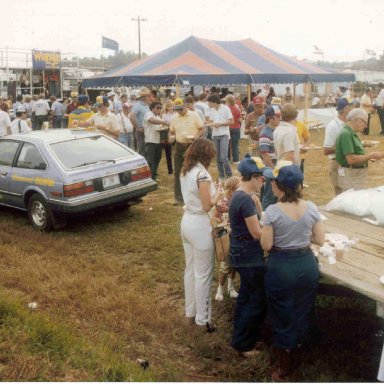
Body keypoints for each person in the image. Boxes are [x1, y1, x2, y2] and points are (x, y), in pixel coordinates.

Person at [261, 162, 325, 381]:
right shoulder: (312, 207)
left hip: (282, 265)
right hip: (306, 263)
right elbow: (320, 239)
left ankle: (284, 368)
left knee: (281, 313)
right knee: (302, 309)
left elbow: (267, 245)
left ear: (278, 186)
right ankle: (298, 357)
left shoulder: (272, 211)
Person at [180, 138, 221, 331]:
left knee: (190, 269)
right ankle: (203, 320)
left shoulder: (186, 170)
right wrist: (218, 194)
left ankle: (190, 313)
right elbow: (207, 205)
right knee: (203, 274)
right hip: (200, 224)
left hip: (187, 220)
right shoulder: (202, 175)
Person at [228, 155, 267, 357]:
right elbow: (257, 233)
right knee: (255, 299)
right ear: (253, 177)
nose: (264, 181)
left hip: (239, 253)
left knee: (245, 296)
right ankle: (245, 345)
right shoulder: (244, 199)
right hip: (248, 256)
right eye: (262, 178)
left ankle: (240, 338)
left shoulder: (241, 195)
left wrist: (259, 208)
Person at [335, 108, 384, 191]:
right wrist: (370, 155)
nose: (366, 126)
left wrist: (369, 157)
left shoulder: (349, 132)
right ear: (356, 119)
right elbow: (351, 159)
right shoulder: (346, 134)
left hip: (354, 174)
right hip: (352, 175)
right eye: (365, 122)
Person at [169, 98, 204, 205]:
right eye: (177, 109)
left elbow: (202, 128)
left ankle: (196, 195)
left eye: (181, 109)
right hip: (179, 146)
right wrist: (171, 137)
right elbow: (171, 131)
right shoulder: (174, 118)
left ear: (185, 106)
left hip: (192, 145)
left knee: (194, 171)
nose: (179, 111)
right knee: (178, 172)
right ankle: (178, 197)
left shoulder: (194, 115)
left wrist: (197, 136)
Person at [213, 176, 241, 301]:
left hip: (236, 235)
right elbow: (220, 221)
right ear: (231, 190)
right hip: (225, 235)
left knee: (234, 263)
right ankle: (220, 288)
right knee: (225, 264)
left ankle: (230, 286)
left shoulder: (238, 199)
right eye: (238, 188)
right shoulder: (223, 202)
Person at [323, 97, 354, 195]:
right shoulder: (333, 126)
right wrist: (346, 148)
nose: (352, 109)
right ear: (345, 109)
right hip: (338, 163)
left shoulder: (348, 124)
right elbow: (326, 150)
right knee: (340, 195)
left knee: (349, 192)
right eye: (350, 107)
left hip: (348, 161)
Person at [207, 94, 233, 180]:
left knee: (224, 157)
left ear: (214, 102)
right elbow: (211, 121)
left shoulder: (226, 108)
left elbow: (231, 121)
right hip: (215, 135)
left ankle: (229, 175)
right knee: (217, 157)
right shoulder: (212, 110)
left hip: (224, 135)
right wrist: (211, 125)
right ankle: (221, 175)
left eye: (209, 102)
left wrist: (220, 124)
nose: (208, 104)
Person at [259, 106, 280, 210]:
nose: (280, 119)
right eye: (278, 116)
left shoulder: (273, 131)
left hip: (274, 166)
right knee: (269, 196)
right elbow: (265, 155)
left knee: (274, 196)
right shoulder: (265, 133)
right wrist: (273, 170)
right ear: (271, 118)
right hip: (270, 168)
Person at [143, 101, 169, 180]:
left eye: (160, 108)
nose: (159, 109)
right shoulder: (148, 114)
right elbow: (152, 121)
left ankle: (154, 174)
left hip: (157, 140)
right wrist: (164, 122)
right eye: (157, 108)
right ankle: (149, 176)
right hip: (150, 140)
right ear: (152, 108)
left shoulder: (158, 117)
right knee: (150, 160)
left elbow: (160, 127)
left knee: (157, 158)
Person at [131, 88, 151, 155]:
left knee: (145, 149)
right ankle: (138, 163)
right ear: (144, 97)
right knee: (141, 148)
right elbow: (131, 116)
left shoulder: (146, 105)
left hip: (146, 130)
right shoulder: (138, 105)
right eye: (149, 96)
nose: (150, 97)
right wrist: (137, 128)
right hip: (141, 131)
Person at [162, 100, 176, 175]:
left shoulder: (176, 113)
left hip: (176, 133)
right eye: (169, 106)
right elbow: (164, 124)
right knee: (168, 152)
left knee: (176, 151)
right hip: (167, 133)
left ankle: (177, 167)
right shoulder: (164, 115)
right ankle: (170, 170)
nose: (171, 107)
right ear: (166, 107)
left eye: (172, 105)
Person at [226, 95, 242, 164]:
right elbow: (240, 120)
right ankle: (236, 160)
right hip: (236, 128)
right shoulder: (237, 109)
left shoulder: (226, 109)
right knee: (235, 145)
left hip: (228, 128)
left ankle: (228, 159)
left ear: (228, 101)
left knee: (227, 145)